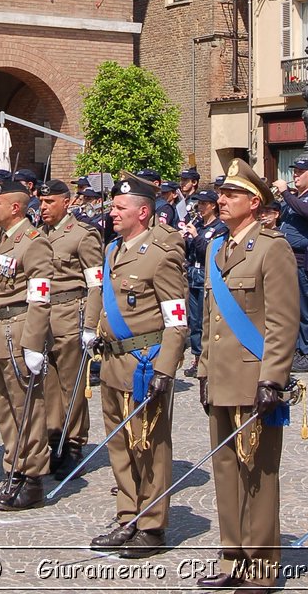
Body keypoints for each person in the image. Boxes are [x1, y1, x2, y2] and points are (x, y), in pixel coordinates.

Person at [197, 158, 299, 591]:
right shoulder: (215, 248)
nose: (221, 200)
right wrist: (202, 369)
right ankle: (232, 554)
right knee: (225, 470)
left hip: (254, 378)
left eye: (232, 194)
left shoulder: (273, 247)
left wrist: (272, 379)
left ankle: (261, 564)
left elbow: (282, 321)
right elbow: (209, 321)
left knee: (257, 472)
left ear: (254, 203)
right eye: (222, 193)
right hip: (220, 377)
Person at [90, 174, 188, 558]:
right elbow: (103, 297)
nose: (112, 213)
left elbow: (177, 320)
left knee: (149, 447)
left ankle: (152, 524)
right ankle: (127, 515)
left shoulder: (160, 256)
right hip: (113, 361)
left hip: (144, 364)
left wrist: (165, 369)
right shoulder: (113, 250)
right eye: (113, 207)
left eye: (120, 208)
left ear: (143, 213)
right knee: (119, 447)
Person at [0, 178, 53, 511]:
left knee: (27, 408)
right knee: (6, 408)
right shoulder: (5, 240)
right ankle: (14, 471)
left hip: (19, 332)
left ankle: (33, 478)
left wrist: (35, 343)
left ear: (15, 207)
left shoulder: (32, 241)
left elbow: (40, 296)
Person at [39, 178, 103, 479]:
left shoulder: (82, 235)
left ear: (66, 202)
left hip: (70, 315)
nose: (43, 207)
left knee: (72, 386)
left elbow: (96, 284)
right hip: (44, 318)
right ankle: (56, 440)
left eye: (49, 202)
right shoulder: (38, 234)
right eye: (41, 201)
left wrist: (91, 324)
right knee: (49, 387)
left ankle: (75, 444)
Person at [272, 156, 308, 372]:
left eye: (300, 172)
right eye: (294, 172)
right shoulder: (296, 198)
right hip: (289, 259)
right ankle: (297, 348)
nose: (295, 175)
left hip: (306, 260)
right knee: (293, 308)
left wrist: (286, 194)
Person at [180, 188, 228, 378]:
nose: (200, 208)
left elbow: (211, 251)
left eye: (204, 204)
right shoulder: (198, 224)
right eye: (199, 204)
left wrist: (195, 237)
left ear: (213, 206)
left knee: (204, 318)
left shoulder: (220, 227)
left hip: (206, 275)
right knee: (194, 320)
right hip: (192, 274)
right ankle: (197, 357)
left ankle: (208, 357)